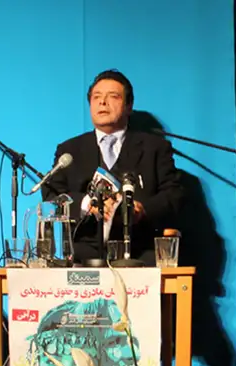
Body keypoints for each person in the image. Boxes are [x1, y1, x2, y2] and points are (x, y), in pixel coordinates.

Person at [42, 70, 183, 265]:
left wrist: (143, 210)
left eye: (113, 96)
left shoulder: (155, 148)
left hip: (140, 253)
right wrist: (86, 204)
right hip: (82, 256)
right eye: (96, 97)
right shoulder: (70, 150)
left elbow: (174, 195)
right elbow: (52, 194)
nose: (102, 102)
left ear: (128, 106)